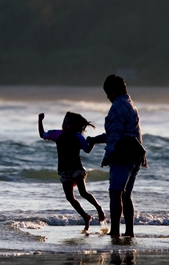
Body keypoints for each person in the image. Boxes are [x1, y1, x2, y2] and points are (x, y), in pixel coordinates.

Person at [89, 74, 146, 239]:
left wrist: (108, 155)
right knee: (126, 195)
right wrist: (95, 139)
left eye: (107, 93)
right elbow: (120, 133)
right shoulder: (130, 105)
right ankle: (129, 232)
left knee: (115, 193)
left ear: (113, 91)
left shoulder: (117, 107)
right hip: (136, 154)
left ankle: (115, 232)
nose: (107, 97)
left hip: (123, 155)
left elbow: (114, 135)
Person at [38, 111, 106, 230]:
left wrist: (93, 141)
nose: (65, 125)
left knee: (83, 192)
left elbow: (87, 150)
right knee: (69, 197)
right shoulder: (57, 134)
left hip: (77, 169)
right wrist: (40, 121)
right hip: (64, 171)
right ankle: (85, 216)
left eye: (68, 124)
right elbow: (42, 135)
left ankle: (99, 209)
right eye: (64, 123)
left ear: (75, 126)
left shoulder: (78, 137)